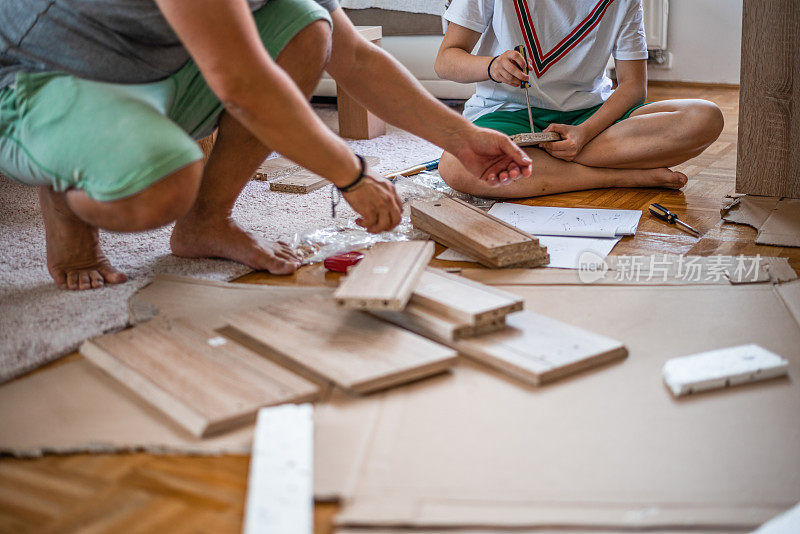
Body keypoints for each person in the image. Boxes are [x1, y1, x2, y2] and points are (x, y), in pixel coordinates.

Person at [0, 0, 532, 290]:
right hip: (38, 82)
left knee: (306, 24)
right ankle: (61, 184)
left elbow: (356, 59)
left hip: (153, 68)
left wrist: (462, 138)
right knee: (160, 188)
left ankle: (207, 221)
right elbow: (243, 84)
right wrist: (351, 173)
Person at [434, 0, 725, 198]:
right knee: (455, 164)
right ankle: (620, 176)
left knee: (705, 117)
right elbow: (446, 60)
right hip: (507, 112)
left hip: (590, 118)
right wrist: (491, 66)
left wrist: (584, 133)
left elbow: (634, 86)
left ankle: (550, 160)